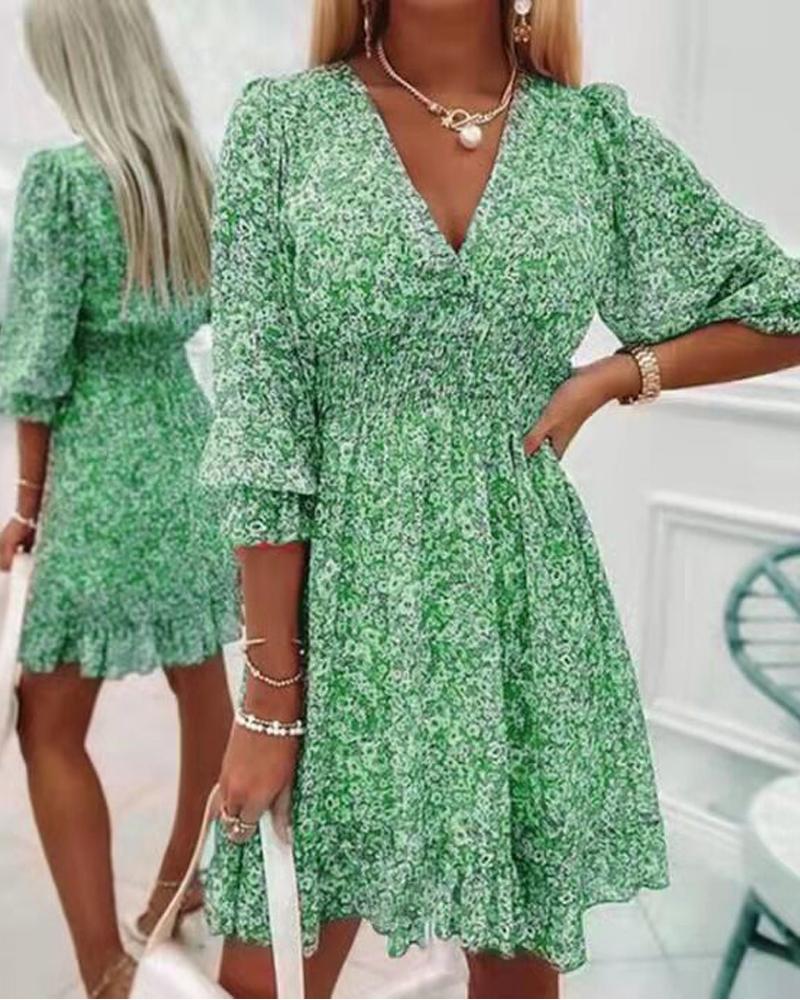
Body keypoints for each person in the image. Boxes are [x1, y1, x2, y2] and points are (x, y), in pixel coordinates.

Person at [200, 0, 800, 997]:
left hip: (520, 604)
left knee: (516, 966)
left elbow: (781, 306)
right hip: (344, 606)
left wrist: (616, 375)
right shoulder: (285, 125)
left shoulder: (589, 138)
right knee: (267, 965)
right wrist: (268, 700)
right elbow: (263, 422)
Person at [0, 1, 239, 995]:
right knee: (203, 680)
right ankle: (179, 891)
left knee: (47, 722)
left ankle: (105, 966)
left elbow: (37, 364)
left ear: (73, 62)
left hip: (101, 469)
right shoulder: (190, 169)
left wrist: (25, 506)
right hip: (190, 449)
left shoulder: (61, 182)